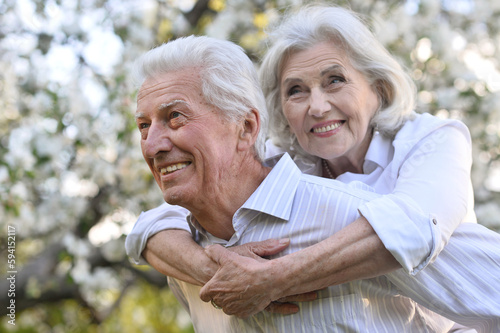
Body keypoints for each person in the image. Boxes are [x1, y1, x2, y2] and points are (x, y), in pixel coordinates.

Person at [126, 5, 500, 332]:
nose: (317, 106)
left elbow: (416, 228)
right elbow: (155, 222)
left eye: (334, 80)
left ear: (379, 87)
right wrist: (215, 272)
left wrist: (271, 280)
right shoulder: (283, 161)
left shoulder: (431, 139)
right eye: (296, 91)